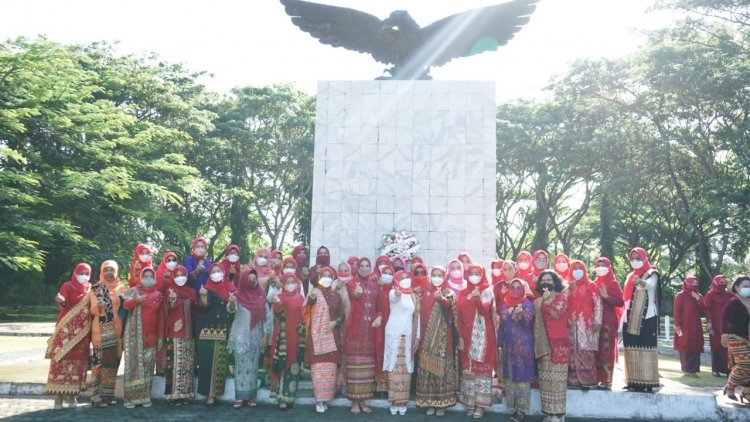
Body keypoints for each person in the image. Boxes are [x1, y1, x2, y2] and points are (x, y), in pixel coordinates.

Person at [46, 263, 93, 410]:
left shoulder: (91, 288)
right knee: (59, 361)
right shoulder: (67, 286)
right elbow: (62, 298)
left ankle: (72, 395)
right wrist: (59, 299)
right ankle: (57, 398)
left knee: (77, 365)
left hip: (82, 335)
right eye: (81, 272)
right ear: (75, 273)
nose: (84, 276)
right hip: (65, 331)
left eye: (87, 273)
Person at [416, 266, 458, 416]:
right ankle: (430, 402)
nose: (436, 277)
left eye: (439, 275)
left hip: (443, 341)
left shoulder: (449, 292)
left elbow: (449, 306)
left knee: (441, 371)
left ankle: (442, 404)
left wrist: (441, 298)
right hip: (426, 340)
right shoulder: (426, 292)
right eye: (434, 274)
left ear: (444, 276)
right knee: (428, 370)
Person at [228, 269, 272, 409]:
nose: (252, 281)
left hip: (255, 337)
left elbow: (267, 317)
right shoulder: (237, 295)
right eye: (249, 278)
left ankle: (251, 397)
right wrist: (232, 302)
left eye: (255, 278)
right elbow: (231, 310)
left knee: (253, 368)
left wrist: (266, 335)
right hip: (240, 337)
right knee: (240, 368)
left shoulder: (261, 296)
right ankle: (240, 397)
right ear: (244, 280)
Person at [122, 267, 165, 408]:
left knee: (148, 367)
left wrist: (160, 337)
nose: (147, 278)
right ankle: (130, 398)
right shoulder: (134, 291)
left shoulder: (158, 294)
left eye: (150, 276)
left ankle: (145, 397)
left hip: (152, 335)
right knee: (133, 367)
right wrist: (136, 301)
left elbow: (161, 318)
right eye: (145, 276)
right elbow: (125, 305)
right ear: (141, 277)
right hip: (135, 336)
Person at [457, 265, 496, 419]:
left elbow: (484, 310)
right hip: (466, 338)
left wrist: (477, 298)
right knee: (469, 370)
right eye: (471, 273)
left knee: (482, 370)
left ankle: (480, 406)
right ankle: (469, 402)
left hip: (483, 339)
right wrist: (460, 335)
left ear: (482, 275)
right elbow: (459, 316)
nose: (474, 276)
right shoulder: (463, 292)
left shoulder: (487, 291)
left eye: (476, 273)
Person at [304, 266, 344, 413]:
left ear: (333, 278)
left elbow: (341, 314)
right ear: (319, 277)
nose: (326, 276)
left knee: (330, 369)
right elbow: (306, 310)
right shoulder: (314, 292)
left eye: (329, 275)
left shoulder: (337, 296)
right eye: (324, 274)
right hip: (317, 337)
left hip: (332, 335)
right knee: (318, 368)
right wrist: (311, 300)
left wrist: (336, 322)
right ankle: (319, 400)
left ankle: (325, 398)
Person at [196, 263, 236, 407]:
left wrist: (232, 303)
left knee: (220, 361)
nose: (216, 273)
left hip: (223, 329)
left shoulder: (229, 288)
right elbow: (204, 306)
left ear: (224, 272)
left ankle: (215, 392)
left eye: (219, 270)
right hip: (207, 330)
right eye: (213, 271)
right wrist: (203, 297)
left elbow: (232, 310)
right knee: (207, 362)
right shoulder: (206, 288)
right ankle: (209, 395)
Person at [621, 247, 661, 392]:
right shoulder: (630, 276)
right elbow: (625, 298)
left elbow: (651, 285)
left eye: (638, 258)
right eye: (632, 259)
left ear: (644, 258)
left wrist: (641, 283)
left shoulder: (652, 273)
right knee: (631, 349)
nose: (634, 261)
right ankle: (633, 382)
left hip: (647, 318)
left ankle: (648, 383)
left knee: (646, 349)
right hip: (630, 318)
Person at [533, 270, 570, 422]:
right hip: (543, 344)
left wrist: (548, 300)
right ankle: (549, 412)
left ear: (555, 282)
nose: (545, 282)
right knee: (546, 380)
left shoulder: (562, 297)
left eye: (549, 279)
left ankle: (558, 414)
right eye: (542, 281)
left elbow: (556, 314)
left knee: (557, 381)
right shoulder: (538, 300)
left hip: (558, 344)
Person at [345, 257, 379, 414]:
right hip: (355, 332)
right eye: (362, 265)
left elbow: (379, 306)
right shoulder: (351, 283)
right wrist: (356, 294)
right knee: (354, 368)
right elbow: (350, 296)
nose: (365, 268)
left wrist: (379, 316)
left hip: (370, 332)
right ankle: (354, 402)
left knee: (367, 370)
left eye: (368, 265)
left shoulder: (374, 285)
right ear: (357, 268)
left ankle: (363, 401)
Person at [89, 260, 125, 407]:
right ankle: (96, 396)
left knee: (113, 364)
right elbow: (92, 308)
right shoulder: (96, 288)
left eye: (112, 270)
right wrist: (99, 305)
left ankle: (108, 395)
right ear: (102, 272)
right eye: (106, 270)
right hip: (100, 331)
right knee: (99, 364)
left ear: (116, 271)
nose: (109, 273)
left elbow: (127, 305)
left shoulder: (122, 287)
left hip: (117, 330)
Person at [498, 278, 535, 422]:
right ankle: (514, 407)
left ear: (523, 289)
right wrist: (500, 345)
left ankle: (521, 411)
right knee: (511, 377)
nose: (515, 290)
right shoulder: (504, 305)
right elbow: (501, 327)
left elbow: (527, 322)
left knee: (522, 378)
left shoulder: (527, 304)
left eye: (518, 287)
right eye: (512, 287)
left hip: (523, 347)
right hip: (508, 347)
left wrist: (520, 314)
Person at [384, 271, 420, 416]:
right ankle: (393, 401)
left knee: (406, 369)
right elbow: (395, 298)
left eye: (407, 277)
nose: (405, 280)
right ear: (397, 280)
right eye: (402, 278)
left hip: (408, 335)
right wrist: (398, 294)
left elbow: (416, 316)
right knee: (394, 368)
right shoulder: (393, 292)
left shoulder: (413, 296)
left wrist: (417, 336)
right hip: (394, 334)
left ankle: (403, 401)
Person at [270, 272, 306, 410]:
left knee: (294, 367)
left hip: (298, 337)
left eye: (293, 281)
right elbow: (277, 312)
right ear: (283, 284)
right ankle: (281, 398)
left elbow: (305, 316)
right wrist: (277, 304)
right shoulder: (280, 297)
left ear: (297, 283)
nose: (290, 284)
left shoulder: (301, 298)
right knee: (283, 365)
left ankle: (290, 396)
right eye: (287, 282)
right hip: (284, 339)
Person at [163, 265, 197, 406]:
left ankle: (185, 394)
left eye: (182, 274)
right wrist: (171, 300)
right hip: (174, 332)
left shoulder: (191, 291)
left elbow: (196, 309)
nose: (180, 278)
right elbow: (168, 309)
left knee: (187, 364)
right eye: (176, 275)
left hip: (189, 333)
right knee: (174, 364)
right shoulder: (169, 291)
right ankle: (173, 395)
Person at [567, 260, 602, 389]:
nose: (577, 271)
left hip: (587, 324)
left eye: (579, 268)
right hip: (571, 324)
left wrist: (597, 321)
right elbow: (563, 302)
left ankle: (588, 380)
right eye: (574, 269)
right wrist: (569, 290)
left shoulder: (591, 285)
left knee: (586, 350)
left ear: (584, 270)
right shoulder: (568, 285)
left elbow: (598, 303)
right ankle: (573, 380)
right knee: (572, 350)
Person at [593, 257, 624, 389]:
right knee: (597, 351)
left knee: (606, 350)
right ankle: (597, 379)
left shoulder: (612, 283)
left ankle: (607, 380)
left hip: (608, 322)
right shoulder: (594, 283)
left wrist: (606, 296)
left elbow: (620, 301)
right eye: (598, 265)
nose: (600, 267)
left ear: (609, 267)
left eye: (603, 265)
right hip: (596, 321)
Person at [721, 275, 750, 403]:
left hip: (747, 337)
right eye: (745, 286)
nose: (748, 289)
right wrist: (724, 334)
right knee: (746, 363)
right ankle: (730, 385)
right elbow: (724, 319)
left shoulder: (749, 302)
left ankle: (746, 391)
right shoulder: (733, 302)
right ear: (737, 288)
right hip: (734, 336)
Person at [673, 276, 706, 377]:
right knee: (685, 346)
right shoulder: (680, 295)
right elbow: (676, 311)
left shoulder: (699, 295)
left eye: (696, 283)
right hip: (684, 326)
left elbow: (704, 310)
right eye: (692, 283)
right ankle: (687, 369)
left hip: (696, 326)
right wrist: (677, 325)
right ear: (687, 284)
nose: (695, 285)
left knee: (696, 345)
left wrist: (698, 299)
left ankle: (694, 370)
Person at [374, 263, 396, 395]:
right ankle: (380, 385)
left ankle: (390, 385)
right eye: (385, 273)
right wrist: (379, 316)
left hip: (393, 327)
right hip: (381, 326)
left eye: (390, 273)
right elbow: (376, 308)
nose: (387, 275)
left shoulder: (396, 291)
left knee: (391, 353)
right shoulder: (378, 291)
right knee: (380, 352)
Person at [705, 274, 733, 376]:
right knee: (716, 347)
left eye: (725, 282)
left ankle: (727, 370)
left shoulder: (729, 295)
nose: (723, 284)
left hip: (727, 325)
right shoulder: (710, 294)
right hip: (715, 325)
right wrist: (709, 322)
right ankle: (715, 370)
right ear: (716, 282)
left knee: (727, 347)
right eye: (721, 282)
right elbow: (707, 309)